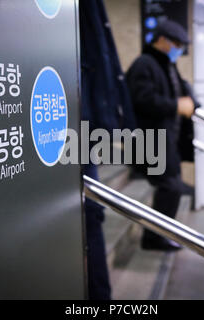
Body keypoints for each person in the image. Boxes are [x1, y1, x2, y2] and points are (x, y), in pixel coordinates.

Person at [126, 20, 200, 251]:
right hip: (151, 141)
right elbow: (141, 100)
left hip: (167, 141)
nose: (179, 48)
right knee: (171, 187)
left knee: (172, 187)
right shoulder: (144, 64)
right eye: (176, 43)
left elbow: (182, 93)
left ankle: (159, 235)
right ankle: (154, 237)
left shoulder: (166, 65)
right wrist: (176, 105)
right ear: (161, 40)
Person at [80, 0, 137, 299]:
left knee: (92, 212)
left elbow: (104, 59)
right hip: (73, 121)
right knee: (91, 211)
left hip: (80, 124)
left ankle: (100, 296)